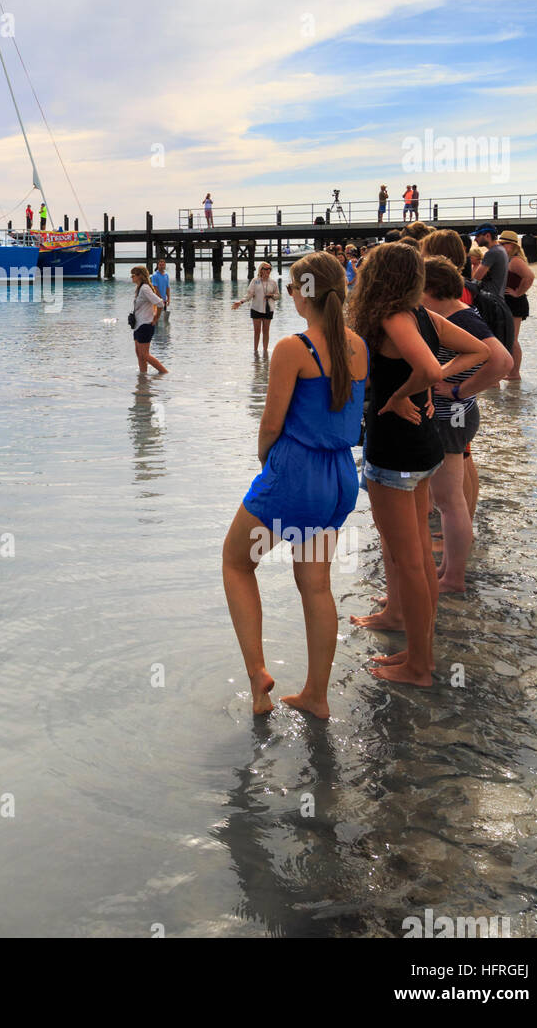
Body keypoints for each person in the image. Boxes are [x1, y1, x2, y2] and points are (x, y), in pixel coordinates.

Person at [222, 252, 368, 718]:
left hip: (297, 472)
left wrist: (269, 464)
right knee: (315, 585)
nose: (287, 295)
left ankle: (259, 679)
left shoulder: (293, 348)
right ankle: (316, 696)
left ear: (303, 293)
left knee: (236, 564)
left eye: (289, 287)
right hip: (341, 477)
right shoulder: (358, 346)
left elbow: (270, 424)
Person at [347, 243, 488, 686]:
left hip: (397, 451)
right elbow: (478, 352)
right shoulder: (423, 316)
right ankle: (401, 623)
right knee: (414, 557)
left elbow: (429, 367)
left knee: (408, 559)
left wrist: (400, 394)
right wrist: (425, 387)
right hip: (423, 447)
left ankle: (420, 665)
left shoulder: (393, 318)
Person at [421, 256, 512, 593]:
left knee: (450, 501)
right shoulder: (457, 313)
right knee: (451, 499)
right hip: (454, 415)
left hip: (453, 416)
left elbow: (502, 360)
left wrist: (458, 390)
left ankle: (454, 577)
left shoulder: (461, 317)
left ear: (430, 289)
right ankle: (448, 571)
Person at [498, 230, 533, 379]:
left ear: (512, 246)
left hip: (516, 302)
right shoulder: (510, 259)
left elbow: (530, 277)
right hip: (511, 302)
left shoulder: (516, 261)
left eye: (504, 244)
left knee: (512, 339)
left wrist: (518, 292)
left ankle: (515, 373)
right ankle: (511, 371)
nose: (501, 247)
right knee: (509, 338)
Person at [232, 261, 279, 353]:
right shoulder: (255, 281)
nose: (268, 271)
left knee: (266, 331)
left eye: (270, 269)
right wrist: (240, 302)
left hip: (268, 309)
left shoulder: (273, 282)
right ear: (261, 270)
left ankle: (265, 352)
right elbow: (249, 295)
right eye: (266, 269)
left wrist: (272, 296)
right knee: (257, 332)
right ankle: (255, 352)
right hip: (256, 309)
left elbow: (278, 296)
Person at [128, 266, 168, 375]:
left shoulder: (145, 288)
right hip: (138, 325)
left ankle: (165, 373)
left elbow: (160, 303)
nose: (131, 277)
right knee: (139, 354)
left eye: (133, 275)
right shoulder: (140, 288)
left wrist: (156, 318)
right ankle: (143, 377)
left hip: (145, 324)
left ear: (140, 276)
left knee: (145, 354)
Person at [471, 225, 509, 297]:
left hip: (490, 299)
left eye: (477, 236)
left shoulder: (492, 252)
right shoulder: (501, 249)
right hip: (498, 297)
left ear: (487, 236)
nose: (475, 239)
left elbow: (476, 279)